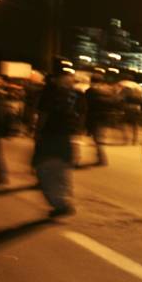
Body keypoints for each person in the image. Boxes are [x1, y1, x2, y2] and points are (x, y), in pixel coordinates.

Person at [33, 69, 83, 217]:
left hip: (50, 136)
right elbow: (81, 117)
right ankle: (65, 200)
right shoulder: (77, 95)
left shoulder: (49, 94)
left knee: (45, 170)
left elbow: (43, 115)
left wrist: (37, 132)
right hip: (68, 137)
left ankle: (60, 204)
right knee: (63, 171)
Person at [84, 74, 116, 166]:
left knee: (97, 138)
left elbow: (86, 105)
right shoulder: (108, 90)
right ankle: (100, 157)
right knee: (99, 137)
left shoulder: (90, 90)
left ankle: (102, 158)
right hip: (106, 116)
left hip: (95, 116)